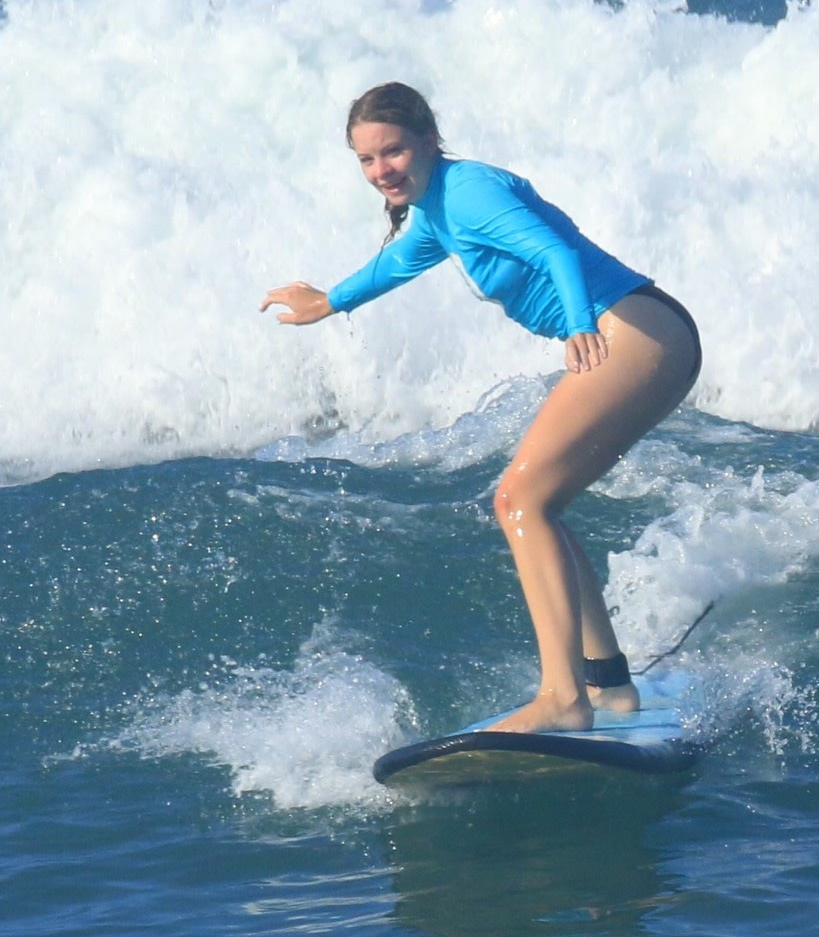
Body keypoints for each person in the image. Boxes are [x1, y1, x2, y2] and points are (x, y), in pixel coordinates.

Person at [262, 83, 703, 735]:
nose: (382, 169)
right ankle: (608, 686)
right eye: (367, 159)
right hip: (643, 333)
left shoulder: (467, 193)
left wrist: (579, 324)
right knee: (538, 504)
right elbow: (397, 265)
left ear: (428, 140)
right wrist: (327, 302)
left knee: (517, 501)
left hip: (632, 334)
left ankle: (563, 698)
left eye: (394, 151)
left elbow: (553, 251)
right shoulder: (437, 209)